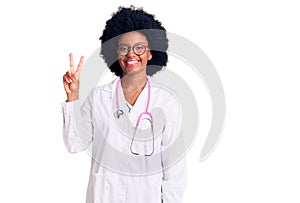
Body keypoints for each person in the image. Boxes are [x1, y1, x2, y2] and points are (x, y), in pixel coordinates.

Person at [62, 6, 187, 203]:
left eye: (139, 48)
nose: (131, 54)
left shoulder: (166, 102)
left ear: (151, 53)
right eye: (123, 48)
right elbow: (74, 144)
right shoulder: (99, 98)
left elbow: (174, 170)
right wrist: (73, 98)